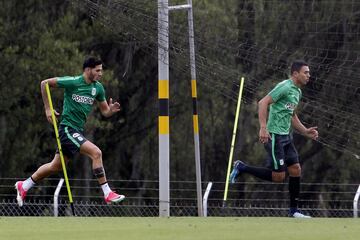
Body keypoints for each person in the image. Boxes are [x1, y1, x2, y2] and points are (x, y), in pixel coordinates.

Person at [15, 57, 125, 206]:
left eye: (101, 70)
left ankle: (24, 185)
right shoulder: (73, 82)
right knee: (96, 153)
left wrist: (111, 110)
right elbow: (44, 83)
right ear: (88, 70)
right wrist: (48, 109)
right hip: (67, 129)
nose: (101, 73)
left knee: (56, 166)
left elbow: (105, 111)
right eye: (97, 70)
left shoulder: (98, 88)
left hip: (77, 131)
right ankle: (107, 193)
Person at [230, 60, 318, 218]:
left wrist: (305, 130)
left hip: (286, 136)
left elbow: (291, 114)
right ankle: (242, 167)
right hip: (274, 136)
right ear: (295, 73)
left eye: (309, 73)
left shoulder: (297, 92)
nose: (308, 75)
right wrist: (263, 127)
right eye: (306, 72)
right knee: (279, 177)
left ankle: (294, 212)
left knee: (296, 169)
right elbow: (263, 102)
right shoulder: (284, 86)